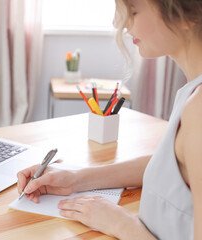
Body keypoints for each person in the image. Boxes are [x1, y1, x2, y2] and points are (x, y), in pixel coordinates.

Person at [17, 0, 202, 239]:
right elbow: (170, 165)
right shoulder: (193, 92)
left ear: (188, 15)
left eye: (133, 11)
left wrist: (122, 225)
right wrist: (75, 179)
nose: (119, 23)